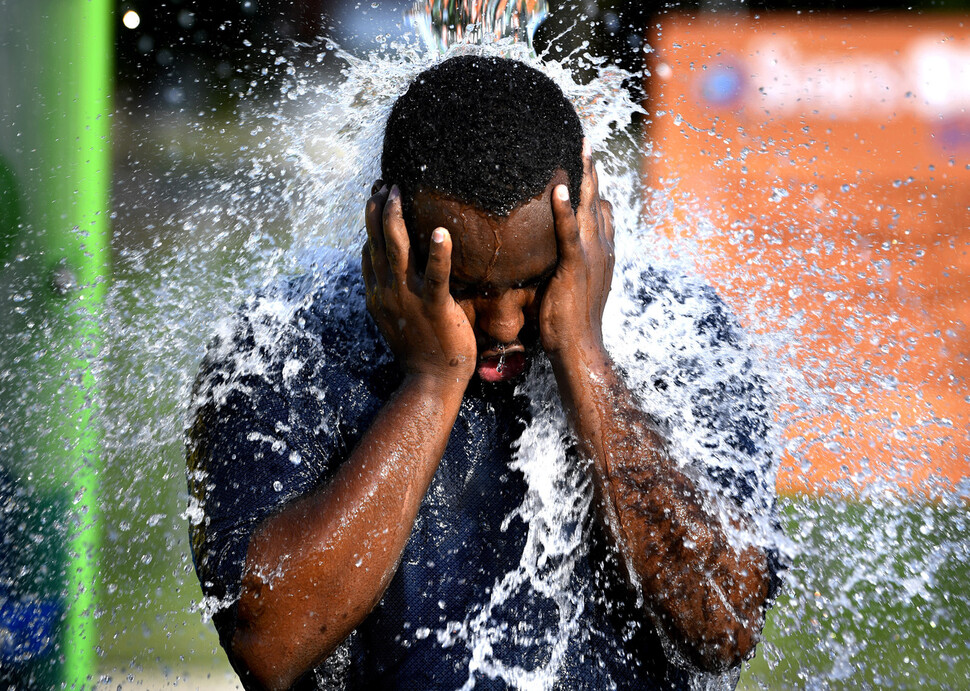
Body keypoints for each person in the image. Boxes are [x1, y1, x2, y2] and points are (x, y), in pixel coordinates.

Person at [186, 55, 785, 690]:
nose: (502, 325)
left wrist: (585, 357)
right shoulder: (284, 347)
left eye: (533, 282)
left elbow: (723, 625)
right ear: (390, 236)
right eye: (464, 285)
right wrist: (431, 382)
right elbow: (269, 647)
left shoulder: (680, 335)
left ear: (588, 232)